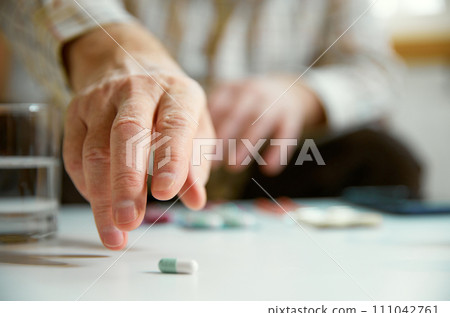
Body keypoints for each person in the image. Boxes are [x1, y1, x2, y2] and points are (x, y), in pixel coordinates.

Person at [0, 0, 421, 250]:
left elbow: (377, 69)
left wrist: (303, 95)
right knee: (74, 147)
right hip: (127, 156)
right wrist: (116, 54)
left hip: (271, 167)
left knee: (384, 155)